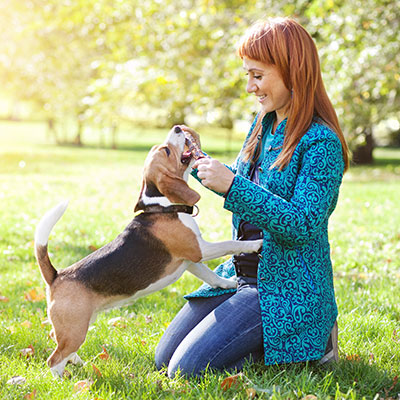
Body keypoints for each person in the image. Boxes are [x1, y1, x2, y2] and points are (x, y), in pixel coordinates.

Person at [155, 17, 349, 378]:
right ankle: (271, 344)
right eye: (248, 75)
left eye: (257, 76)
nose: (250, 87)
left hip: (284, 289)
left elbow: (303, 225)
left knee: (187, 369)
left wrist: (232, 186)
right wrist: (199, 162)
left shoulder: (321, 143)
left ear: (292, 71)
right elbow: (244, 183)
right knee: (163, 359)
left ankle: (307, 340)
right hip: (239, 274)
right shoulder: (264, 123)